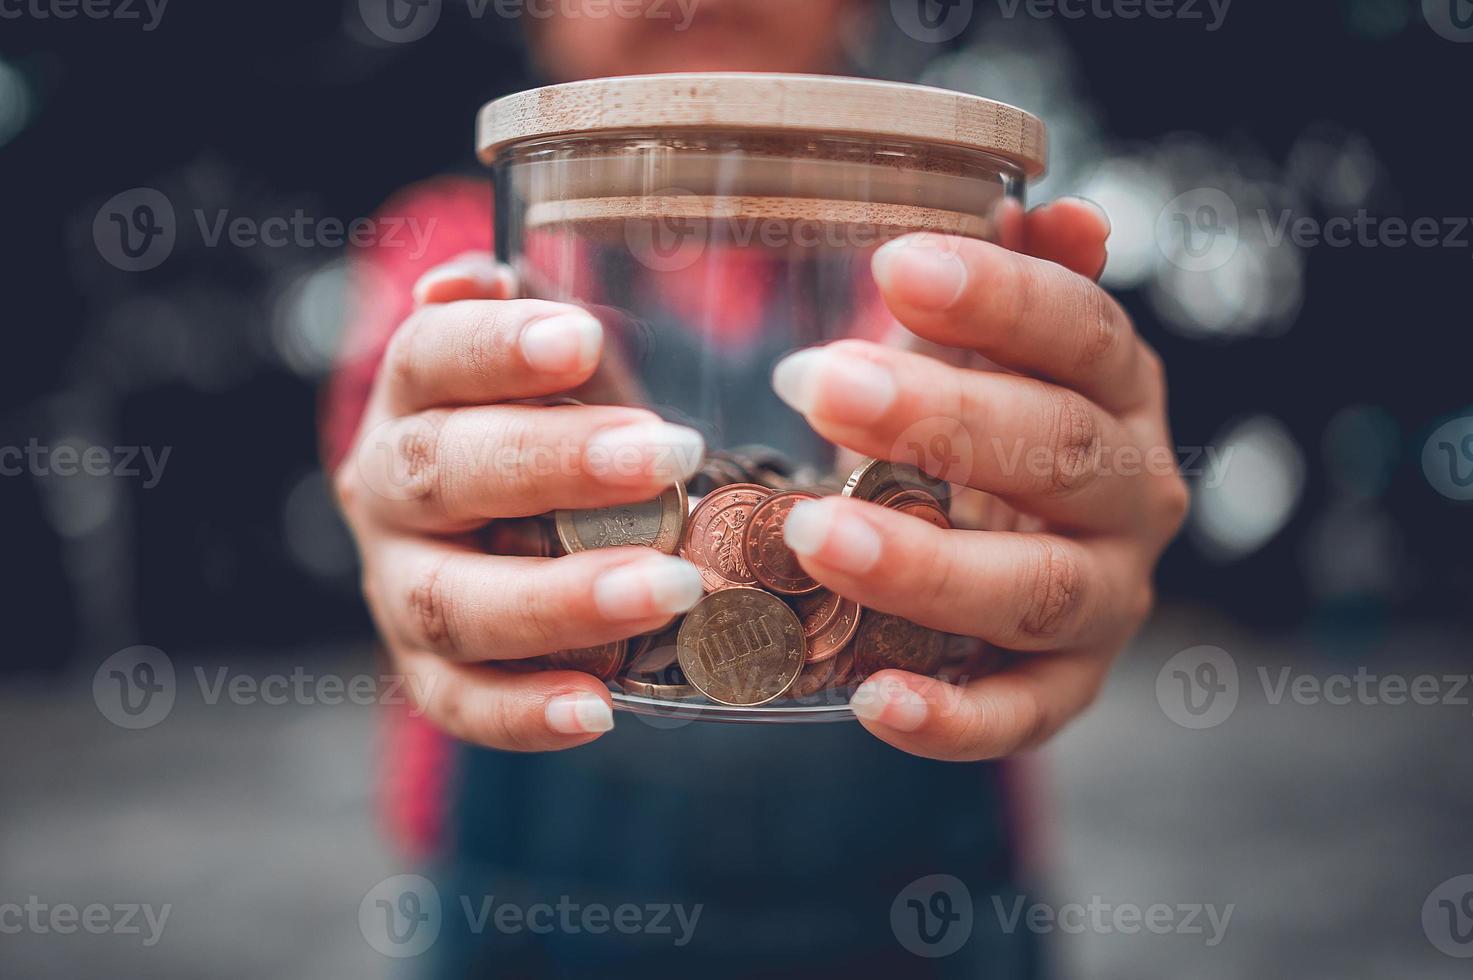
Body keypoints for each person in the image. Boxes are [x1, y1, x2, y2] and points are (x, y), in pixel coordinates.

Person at [325, 1, 1187, 975]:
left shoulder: (942, 271)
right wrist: (405, 515)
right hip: (530, 918)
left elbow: (1050, 466)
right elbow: (385, 458)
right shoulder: (452, 254)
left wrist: (1084, 482)